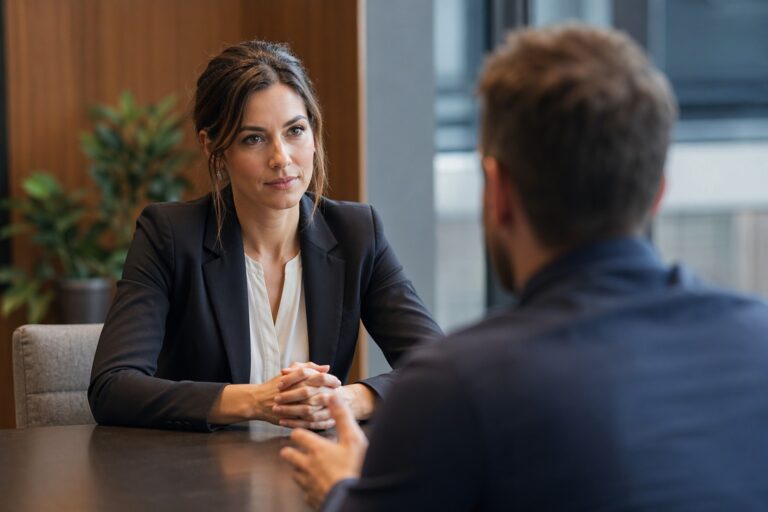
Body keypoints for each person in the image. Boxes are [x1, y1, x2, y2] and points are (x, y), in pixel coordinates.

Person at [281, 24, 768, 510]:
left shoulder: (458, 386)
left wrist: (342, 491)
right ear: (658, 192)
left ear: (499, 192)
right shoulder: (757, 341)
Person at [88, 40, 442, 432]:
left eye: (295, 131)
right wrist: (256, 400)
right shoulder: (169, 236)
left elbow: (438, 369)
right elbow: (112, 387)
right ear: (213, 147)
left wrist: (345, 400)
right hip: (198, 467)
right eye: (253, 138)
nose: (281, 158)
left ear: (314, 132)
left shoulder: (357, 233)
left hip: (315, 462)